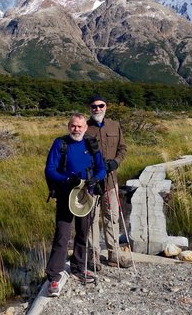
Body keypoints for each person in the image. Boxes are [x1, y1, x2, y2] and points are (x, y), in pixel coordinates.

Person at [44, 113, 107, 297]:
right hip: (66, 195)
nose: (76, 129)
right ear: (68, 126)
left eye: (80, 126)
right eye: (73, 126)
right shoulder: (60, 144)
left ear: (85, 127)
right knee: (62, 235)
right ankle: (54, 277)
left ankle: (79, 267)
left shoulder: (90, 143)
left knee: (83, 232)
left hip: (87, 194)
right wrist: (66, 179)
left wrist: (96, 178)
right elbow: (49, 170)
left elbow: (101, 168)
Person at [86, 94, 131, 268]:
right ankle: (93, 257)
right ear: (90, 109)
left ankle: (114, 255)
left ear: (106, 107)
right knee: (91, 219)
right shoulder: (85, 127)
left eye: (101, 105)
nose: (97, 109)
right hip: (91, 182)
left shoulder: (114, 126)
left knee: (112, 218)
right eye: (94, 106)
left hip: (111, 181)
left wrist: (116, 162)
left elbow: (122, 147)